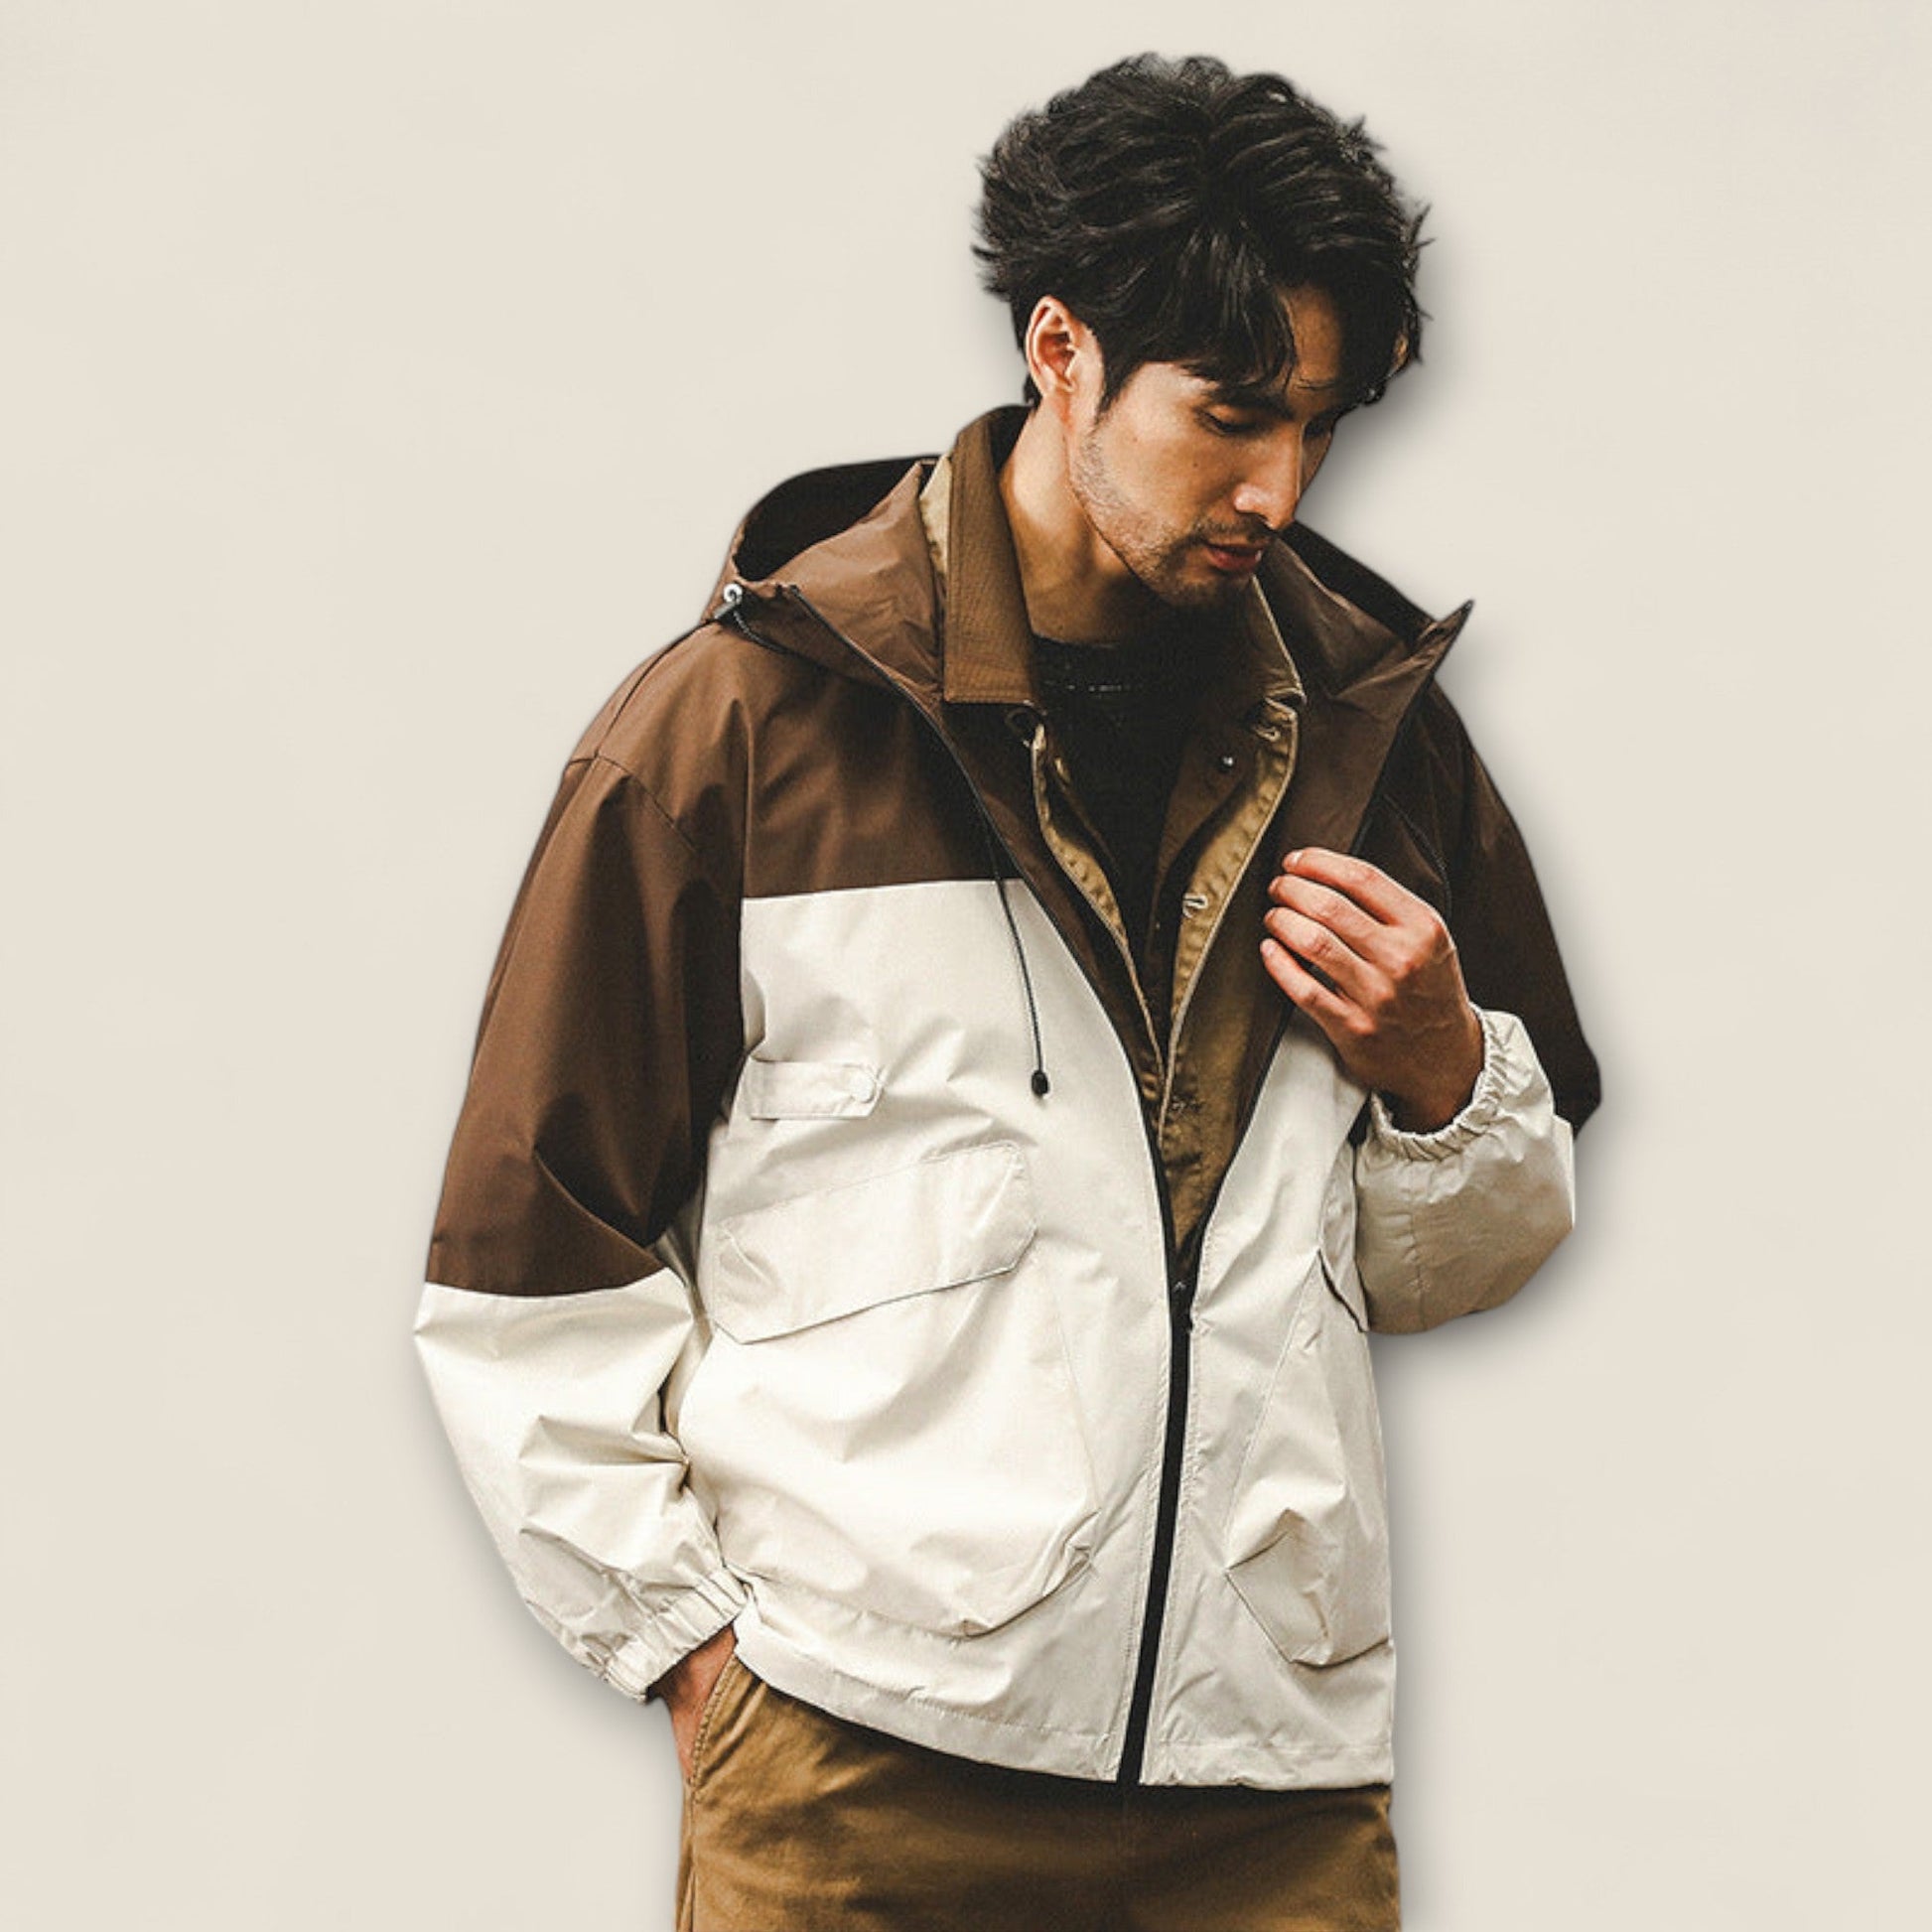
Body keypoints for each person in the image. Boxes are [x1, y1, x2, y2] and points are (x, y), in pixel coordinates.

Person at [416, 53, 1598, 1931]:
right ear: (1060, 349)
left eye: (1317, 426)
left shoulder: (1373, 739)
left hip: (1267, 1800)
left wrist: (1447, 1073)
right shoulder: (740, 730)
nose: (1279, 488)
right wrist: (692, 1655)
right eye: (1231, 416)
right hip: (858, 1774)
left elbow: (1434, 1272)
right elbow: (523, 1258)